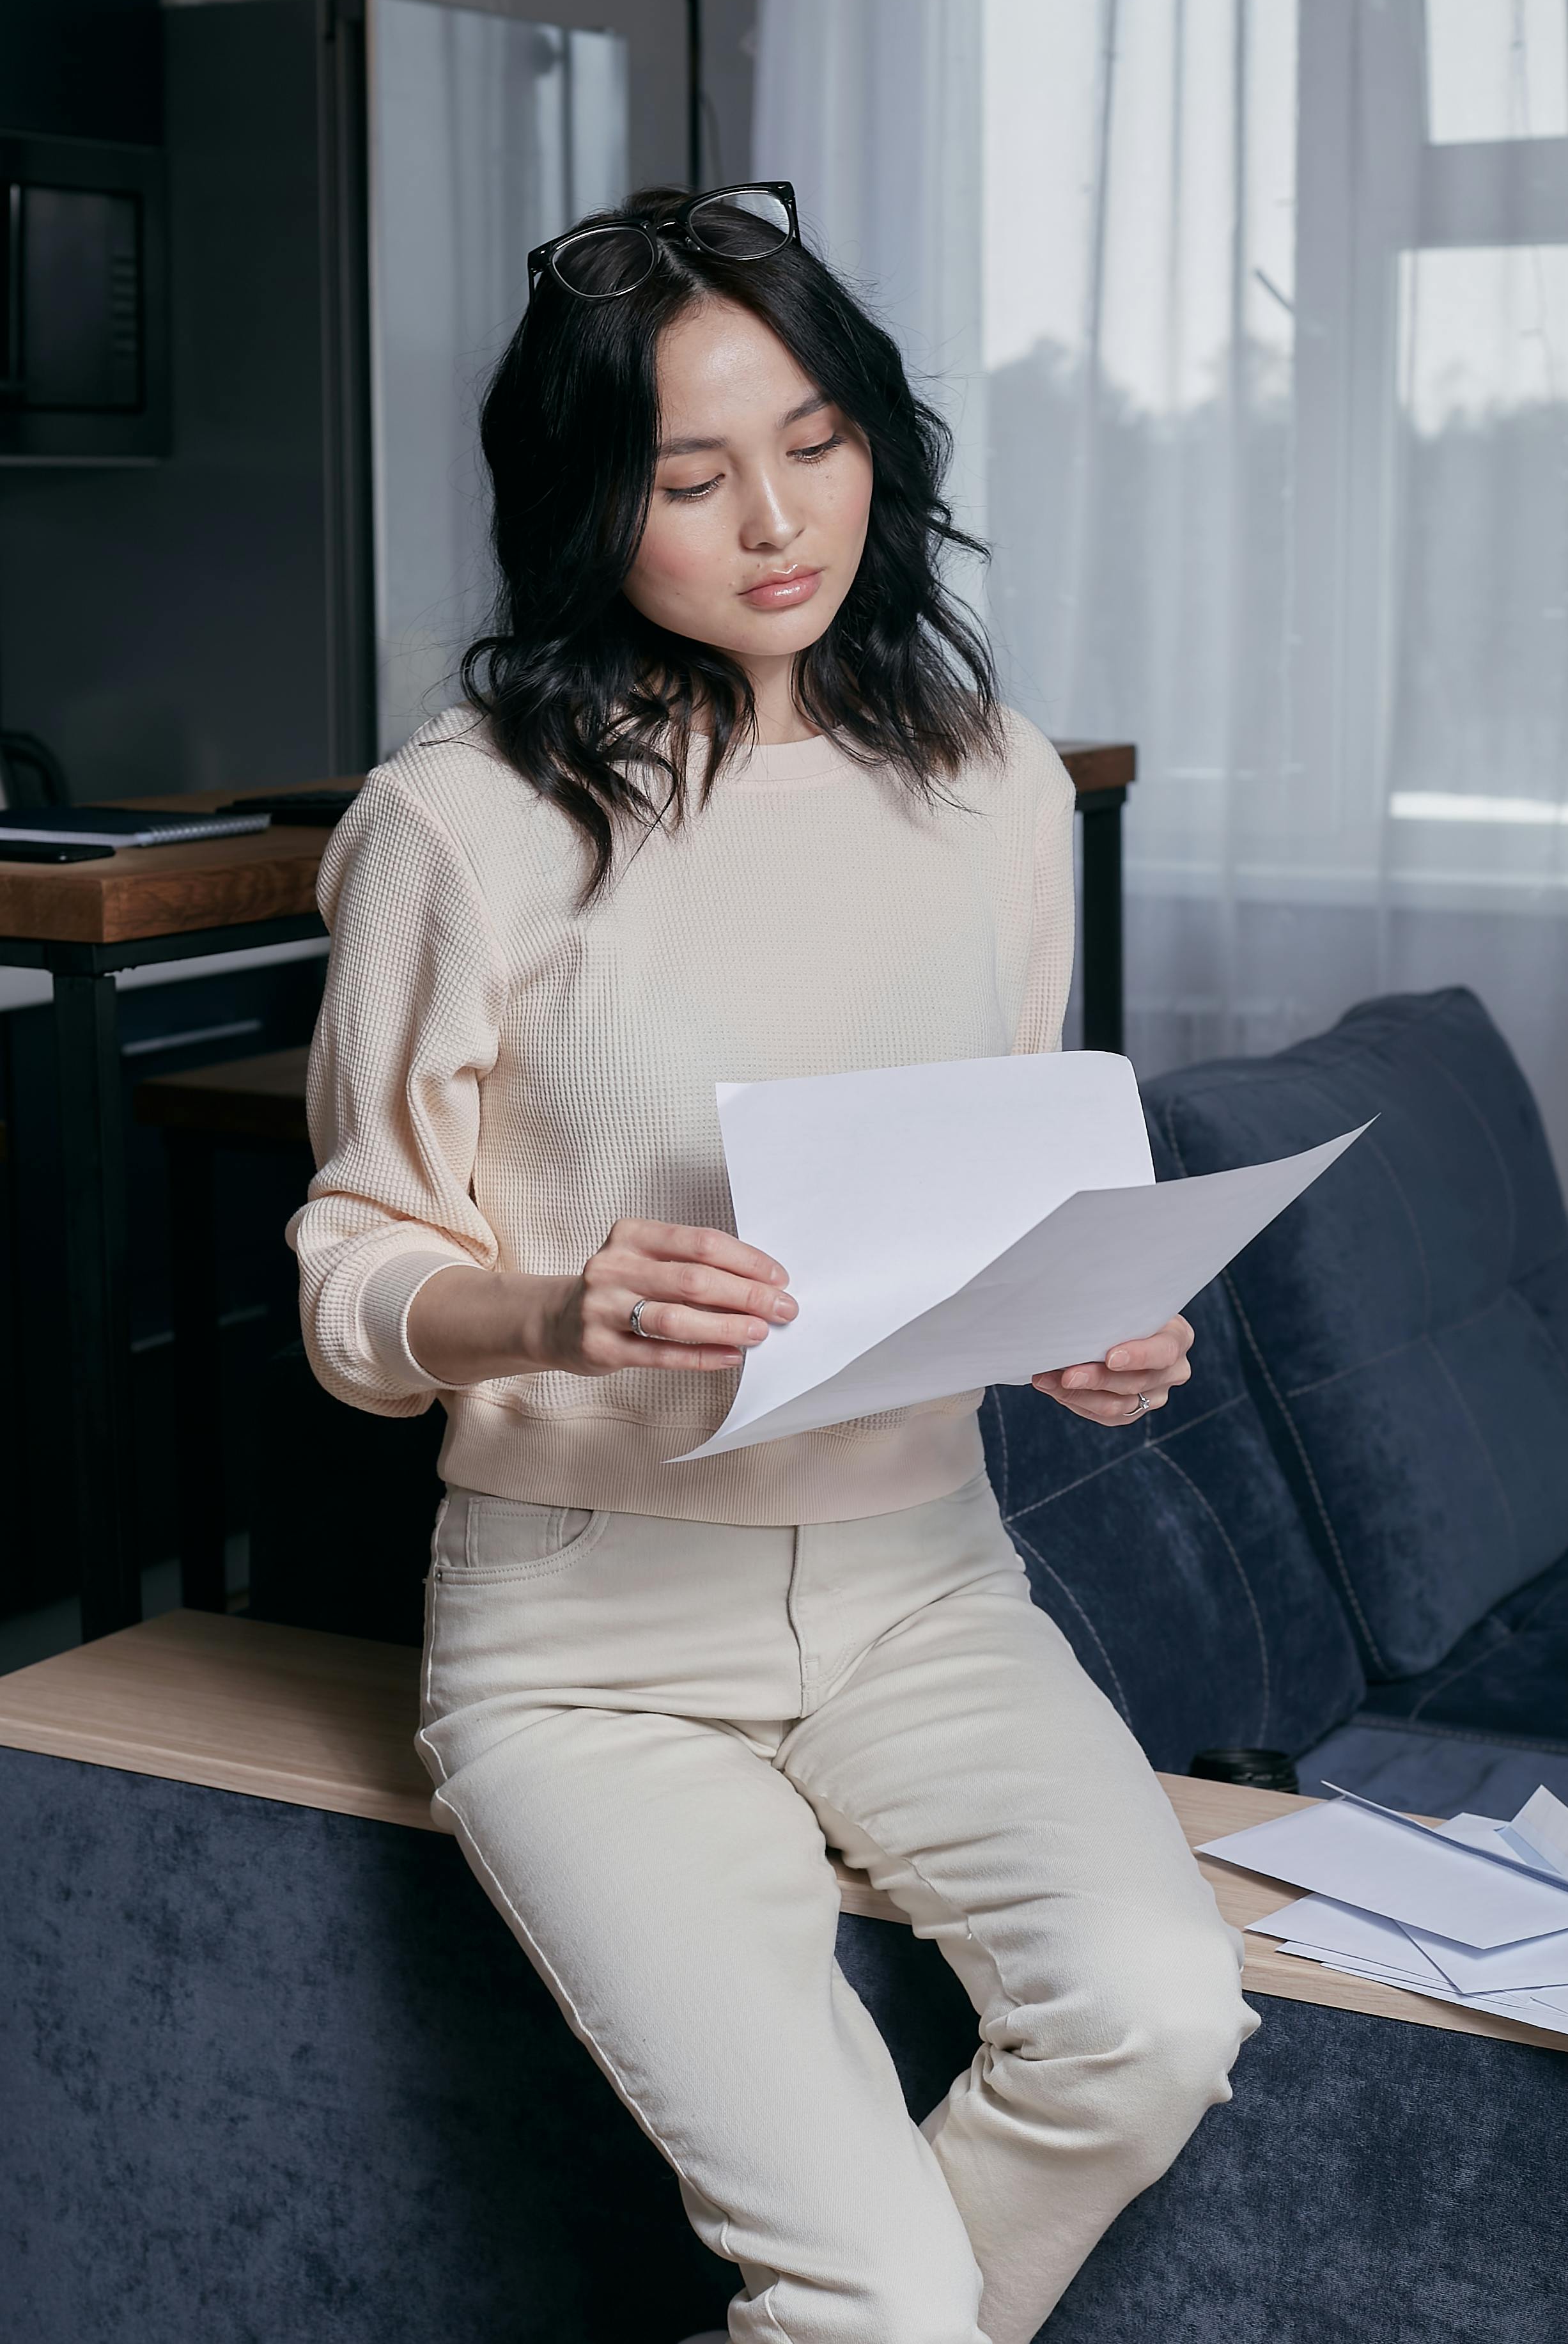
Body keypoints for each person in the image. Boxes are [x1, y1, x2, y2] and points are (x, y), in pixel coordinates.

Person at [289, 180, 1257, 2344]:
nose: (778, 520)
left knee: (1158, 2017)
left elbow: (994, 1181)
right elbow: (354, 1272)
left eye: (817, 443)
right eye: (691, 476)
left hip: (930, 1584)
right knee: (872, 2294)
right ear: (584, 503)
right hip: (588, 1639)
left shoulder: (996, 786)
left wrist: (1082, 1325)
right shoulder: (463, 818)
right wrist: (553, 1309)